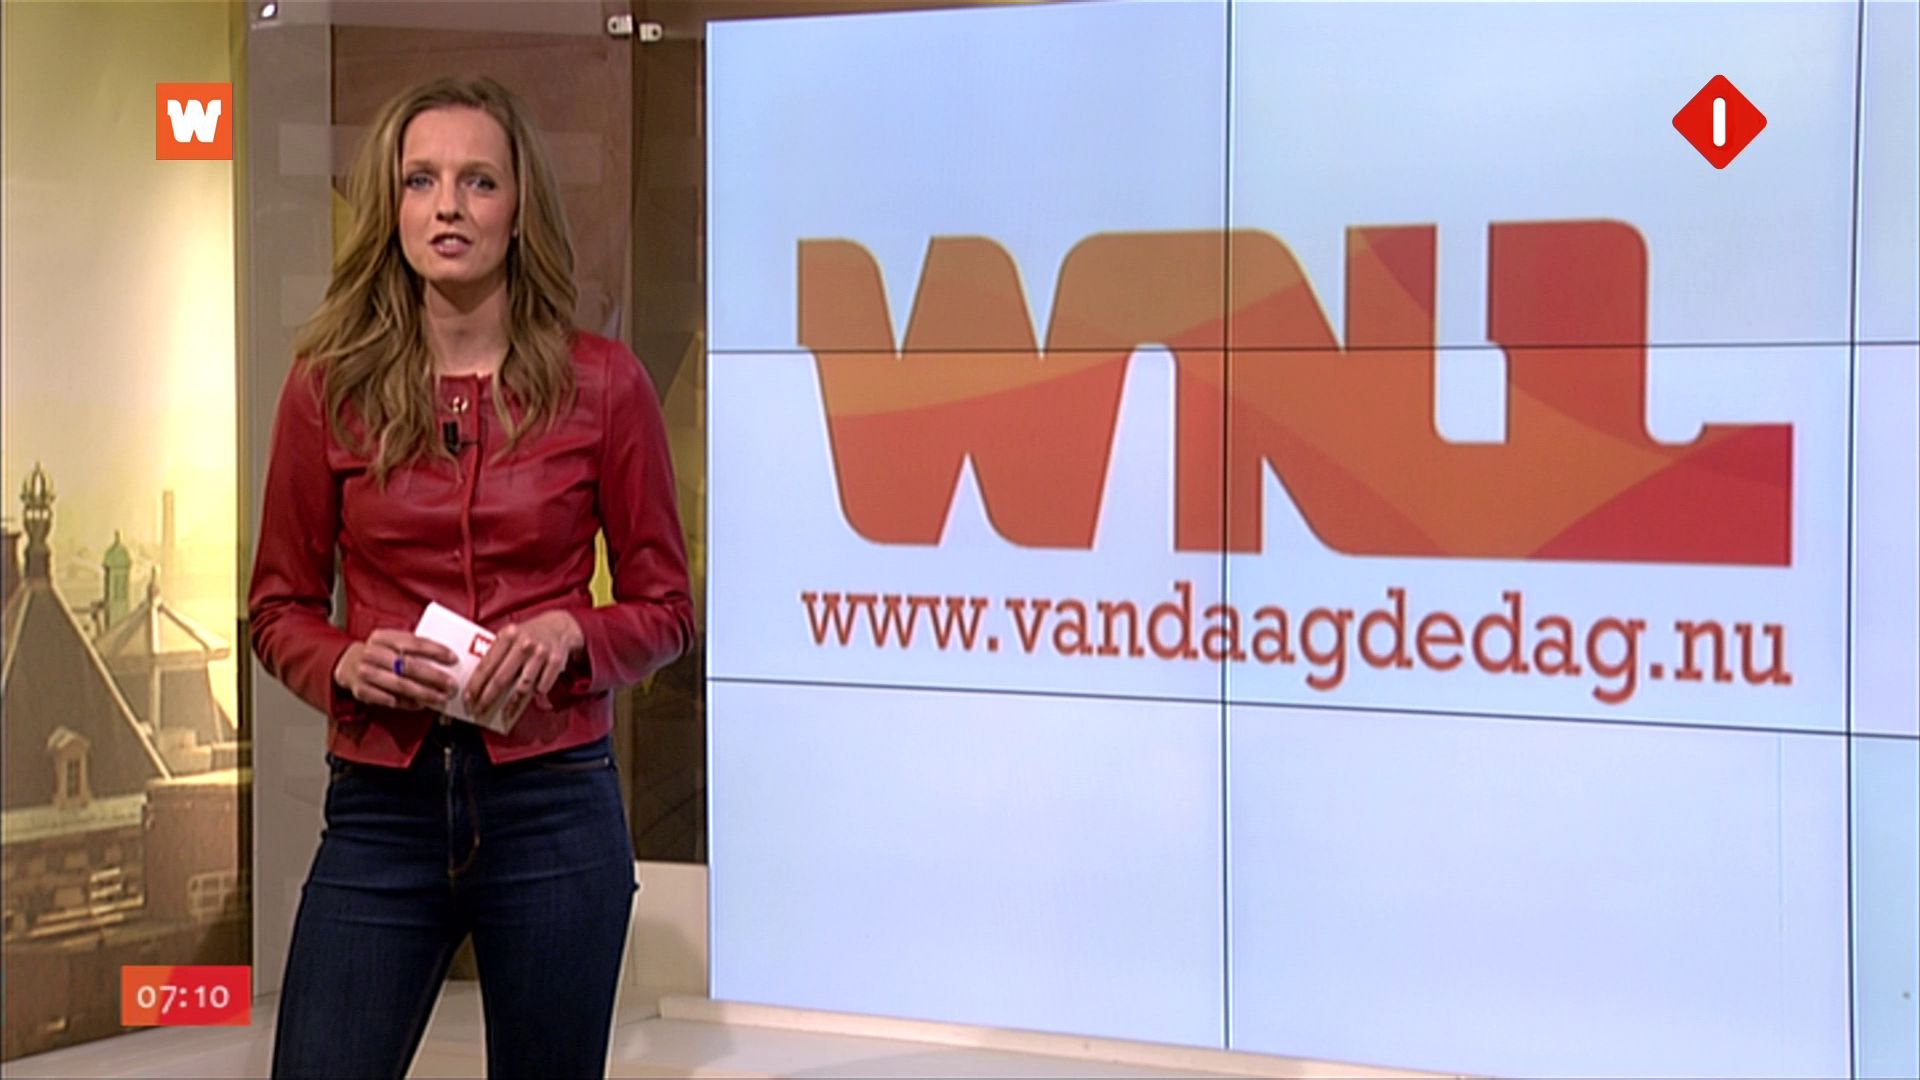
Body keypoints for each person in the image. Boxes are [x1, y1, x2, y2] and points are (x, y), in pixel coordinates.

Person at [248, 75, 693, 1079]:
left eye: (478, 181)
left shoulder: (604, 386)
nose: (447, 206)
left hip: (554, 806)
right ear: (392, 206)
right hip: (382, 806)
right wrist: (342, 661)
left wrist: (575, 634)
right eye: (422, 180)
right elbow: (276, 608)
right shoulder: (327, 388)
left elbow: (666, 610)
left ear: (520, 208)